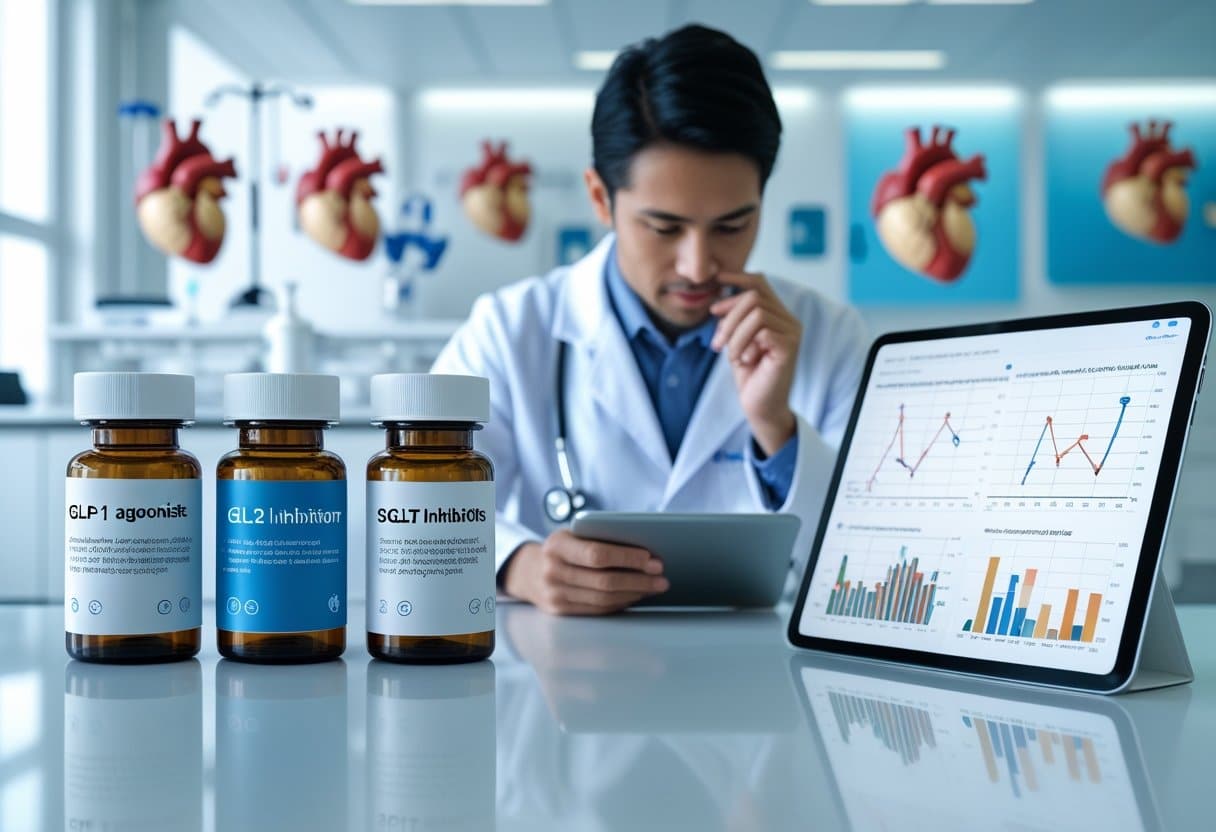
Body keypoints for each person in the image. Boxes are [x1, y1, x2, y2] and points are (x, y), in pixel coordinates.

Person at [432, 24, 868, 615]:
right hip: (562, 685)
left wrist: (776, 426)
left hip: (761, 686)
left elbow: (876, 551)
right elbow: (421, 507)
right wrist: (519, 565)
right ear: (598, 198)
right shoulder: (509, 332)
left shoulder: (831, 337)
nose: (698, 265)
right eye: (663, 228)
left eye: (732, 226)